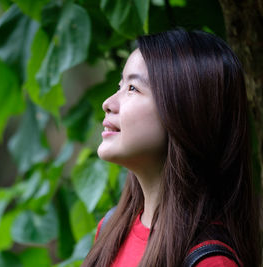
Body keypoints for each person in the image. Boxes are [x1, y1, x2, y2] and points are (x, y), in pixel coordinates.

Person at [82, 29, 261, 267]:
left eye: (133, 88)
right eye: (119, 85)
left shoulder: (210, 262)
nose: (108, 103)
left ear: (186, 112)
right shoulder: (110, 229)